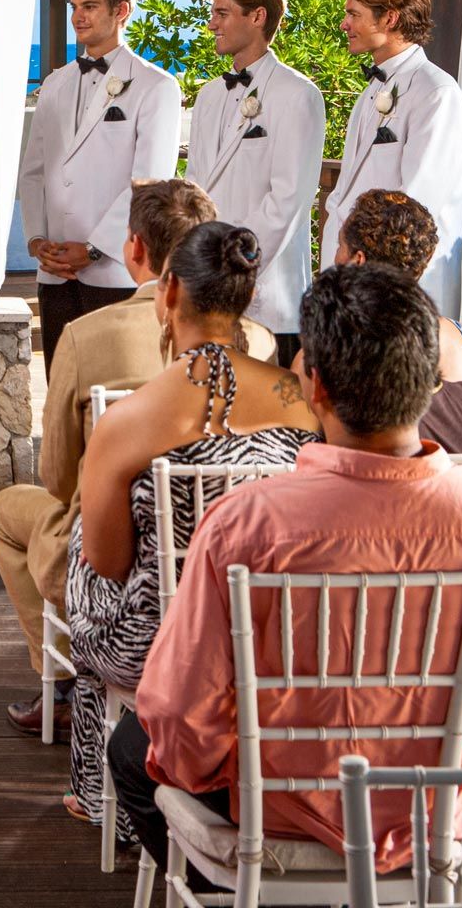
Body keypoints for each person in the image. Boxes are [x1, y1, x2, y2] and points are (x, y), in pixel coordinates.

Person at [112, 264, 462, 879]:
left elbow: (182, 721)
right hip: (438, 808)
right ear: (432, 383)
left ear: (316, 388)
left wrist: (228, 767)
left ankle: (248, 892)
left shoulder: (243, 525)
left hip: (276, 812)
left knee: (132, 748)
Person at [0, 179, 276, 737]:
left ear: (136, 248)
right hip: (235, 573)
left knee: (6, 510)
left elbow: (58, 478)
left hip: (115, 578)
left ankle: (61, 677)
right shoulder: (261, 345)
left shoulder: (84, 335)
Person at [64, 223, 319, 829]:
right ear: (245, 296)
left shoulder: (127, 422)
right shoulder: (303, 399)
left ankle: (103, 793)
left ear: (169, 289)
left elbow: (109, 563)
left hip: (160, 644)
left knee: (80, 551)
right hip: (280, 630)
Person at [18, 0, 181, 376]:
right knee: (62, 392)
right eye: (75, 6)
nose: (78, 17)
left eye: (90, 6)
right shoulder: (55, 84)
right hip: (54, 272)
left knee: (115, 395)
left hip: (116, 271)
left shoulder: (155, 86)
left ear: (121, 11)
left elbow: (150, 182)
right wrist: (39, 241)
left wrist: (94, 249)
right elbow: (34, 170)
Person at [186, 0, 327, 366]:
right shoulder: (210, 96)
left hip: (268, 289)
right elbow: (195, 185)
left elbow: (290, 198)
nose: (212, 24)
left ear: (258, 16)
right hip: (211, 287)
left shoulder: (298, 94)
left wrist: (237, 266)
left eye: (223, 13)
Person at [319, 0, 462, 318]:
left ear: (389, 18)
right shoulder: (373, 89)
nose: (345, 24)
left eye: (353, 14)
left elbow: (416, 205)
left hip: (398, 287)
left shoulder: (437, 93)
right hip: (355, 274)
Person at [334, 189, 462, 453]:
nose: (336, 257)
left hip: (413, 488)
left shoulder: (359, 340)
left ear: (358, 261)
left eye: (340, 246)